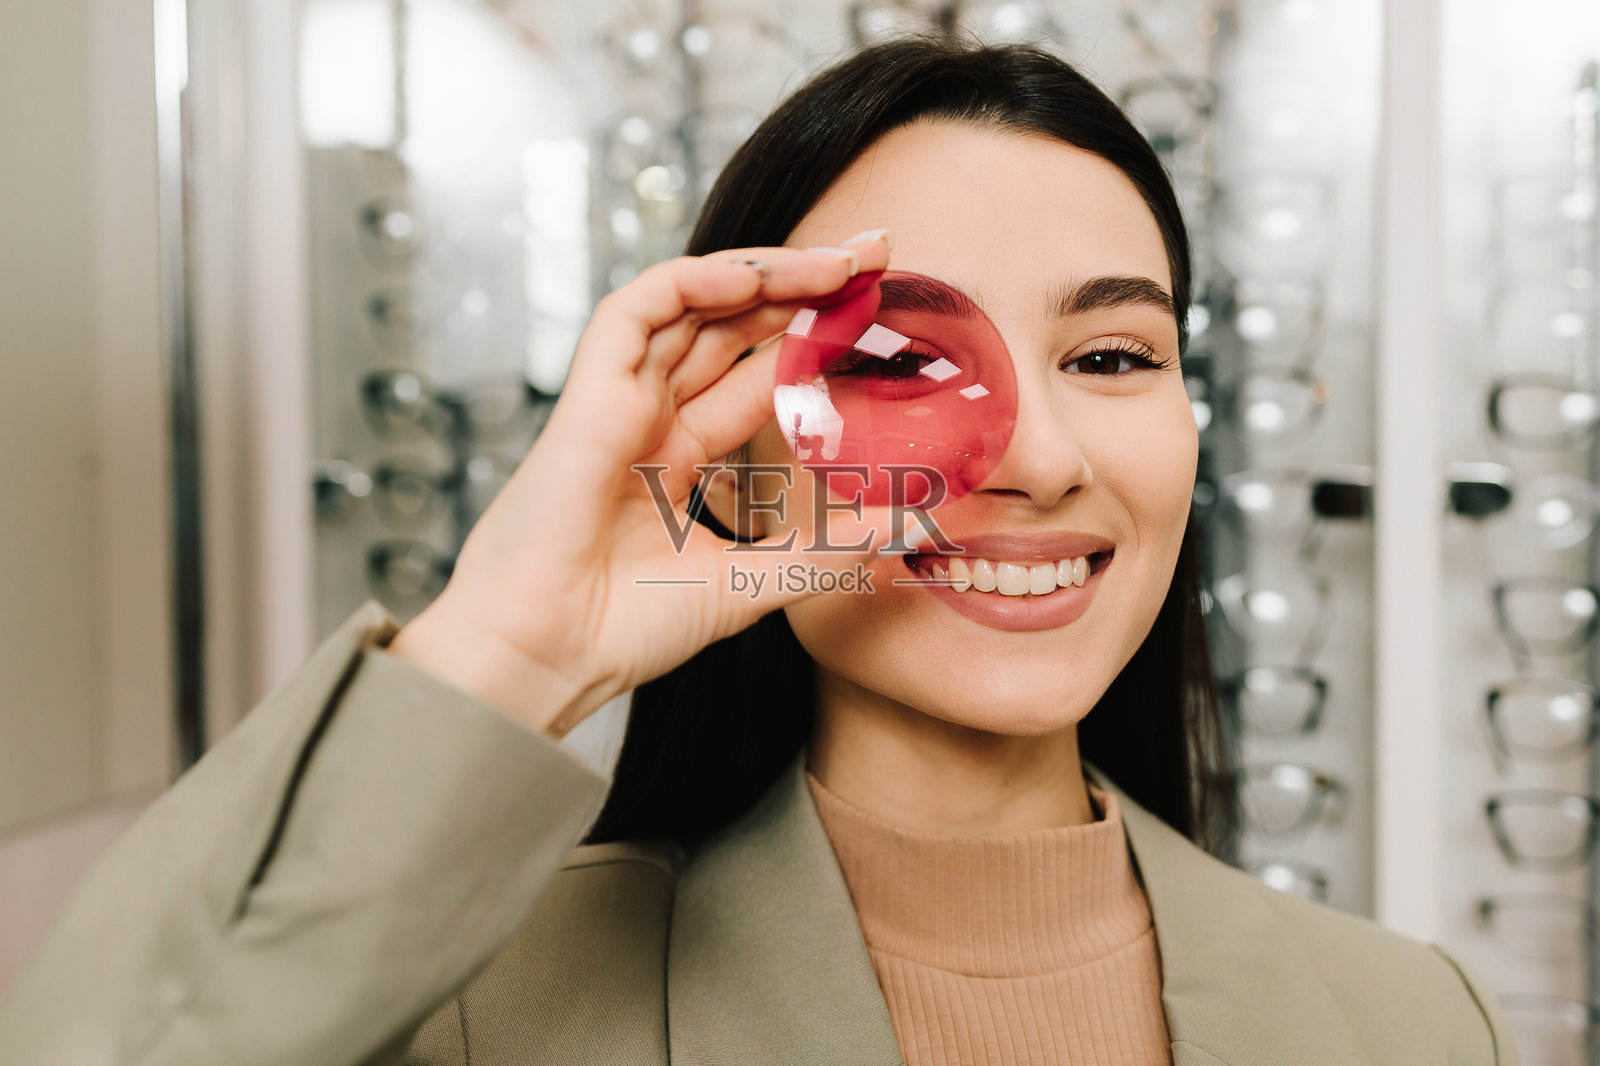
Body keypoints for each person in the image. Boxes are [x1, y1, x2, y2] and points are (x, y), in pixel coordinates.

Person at [0, 37, 1516, 1066]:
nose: (1038, 455)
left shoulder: (1412, 1025)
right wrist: (515, 645)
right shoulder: (472, 1009)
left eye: (1113, 357)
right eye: (901, 362)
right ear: (742, 443)